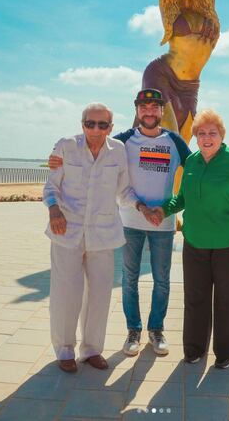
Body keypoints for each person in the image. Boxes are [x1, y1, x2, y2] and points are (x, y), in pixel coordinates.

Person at [49, 89, 192, 357]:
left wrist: (174, 207)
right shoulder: (123, 140)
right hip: (129, 222)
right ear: (137, 110)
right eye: (143, 107)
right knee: (129, 279)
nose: (149, 111)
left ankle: (156, 330)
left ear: (162, 111)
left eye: (154, 107)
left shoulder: (174, 141)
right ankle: (133, 331)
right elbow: (93, 149)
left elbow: (196, 170)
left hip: (163, 224)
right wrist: (57, 159)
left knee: (162, 280)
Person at [44, 103, 151, 373]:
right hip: (66, 231)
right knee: (66, 293)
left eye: (102, 125)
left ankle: (92, 350)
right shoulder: (66, 146)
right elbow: (50, 186)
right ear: (82, 124)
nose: (96, 129)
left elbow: (124, 190)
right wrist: (54, 210)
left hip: (103, 234)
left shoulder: (119, 150)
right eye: (90, 123)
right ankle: (65, 350)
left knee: (100, 295)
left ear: (110, 128)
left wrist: (141, 207)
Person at [157, 109, 229, 368]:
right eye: (201, 133)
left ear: (221, 136)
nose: (206, 138)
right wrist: (164, 209)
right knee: (195, 298)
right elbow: (182, 199)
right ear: (196, 137)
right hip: (195, 243)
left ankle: (226, 353)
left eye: (212, 133)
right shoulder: (191, 162)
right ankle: (194, 349)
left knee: (228, 300)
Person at [140, 0, 219, 151]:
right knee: (169, 138)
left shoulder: (208, 12)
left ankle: (174, 189)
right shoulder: (171, 13)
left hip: (191, 86)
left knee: (182, 147)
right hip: (162, 75)